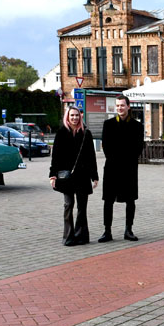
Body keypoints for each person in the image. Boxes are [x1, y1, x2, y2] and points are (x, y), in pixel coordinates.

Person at [49, 106, 98, 246]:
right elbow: (55, 157)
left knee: (82, 208)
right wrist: (52, 175)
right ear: (67, 117)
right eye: (72, 115)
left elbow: (91, 157)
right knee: (68, 205)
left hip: (83, 176)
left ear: (80, 117)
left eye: (77, 115)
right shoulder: (61, 133)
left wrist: (94, 176)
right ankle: (68, 236)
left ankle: (81, 235)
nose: (75, 118)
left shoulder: (86, 134)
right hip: (67, 177)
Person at [99, 95, 144, 242]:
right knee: (108, 200)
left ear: (128, 106)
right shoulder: (108, 124)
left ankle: (128, 230)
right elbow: (106, 146)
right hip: (112, 168)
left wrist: (126, 160)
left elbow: (138, 148)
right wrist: (115, 159)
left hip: (129, 168)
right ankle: (107, 231)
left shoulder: (137, 126)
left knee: (130, 200)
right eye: (117, 106)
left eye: (122, 105)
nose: (120, 108)